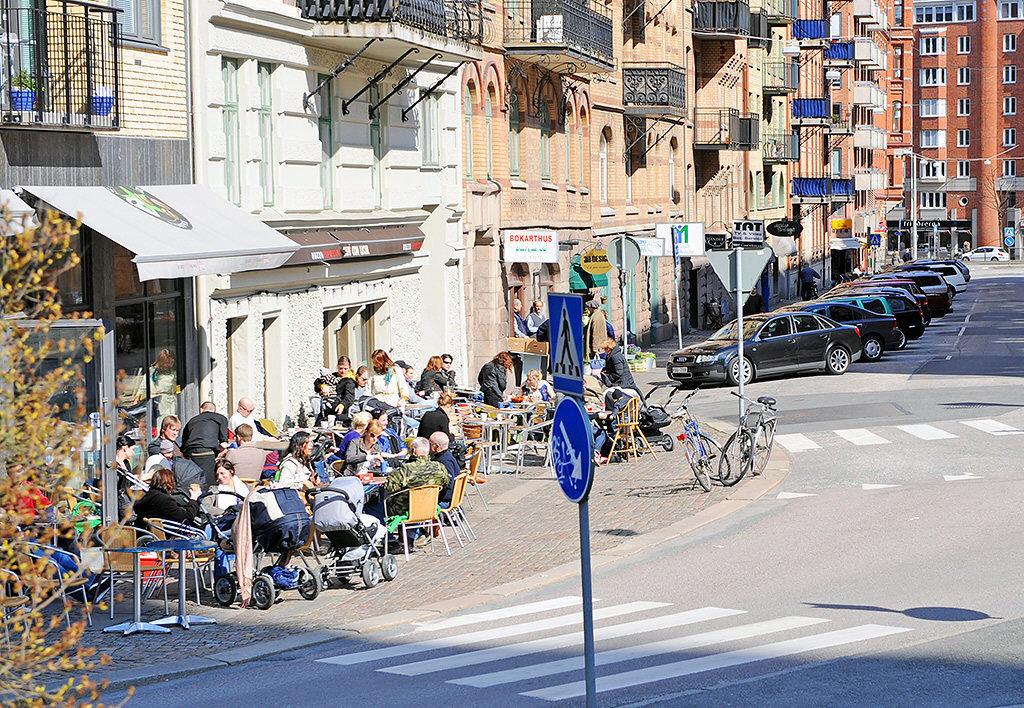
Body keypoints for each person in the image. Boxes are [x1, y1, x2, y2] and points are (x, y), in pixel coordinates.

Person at [383, 437, 450, 520]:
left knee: (375, 506)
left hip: (405, 508)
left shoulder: (406, 469)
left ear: (413, 451)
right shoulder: (440, 467)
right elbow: (446, 483)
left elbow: (389, 487)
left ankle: (384, 532)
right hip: (430, 506)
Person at [133, 467, 201, 531]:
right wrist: (194, 498)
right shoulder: (164, 499)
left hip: (146, 531)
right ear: (170, 483)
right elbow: (187, 517)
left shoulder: (150, 495)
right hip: (164, 535)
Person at [181, 401, 229, 486]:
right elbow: (223, 444)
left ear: (201, 409)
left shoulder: (191, 421)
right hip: (208, 453)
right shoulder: (221, 418)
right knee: (210, 486)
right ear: (214, 410)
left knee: (194, 483)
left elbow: (184, 444)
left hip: (191, 454)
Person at [428, 432, 460, 504]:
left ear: (436, 446)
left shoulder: (444, 461)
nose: (428, 446)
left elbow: (449, 483)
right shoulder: (448, 456)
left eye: (430, 444)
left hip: (444, 500)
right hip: (452, 497)